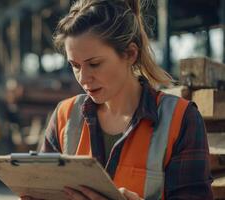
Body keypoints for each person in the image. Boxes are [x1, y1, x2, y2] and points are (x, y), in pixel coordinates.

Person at [20, 0, 213, 199]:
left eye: (94, 64)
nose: (83, 78)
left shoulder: (181, 120)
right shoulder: (64, 116)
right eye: (75, 66)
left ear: (130, 54)